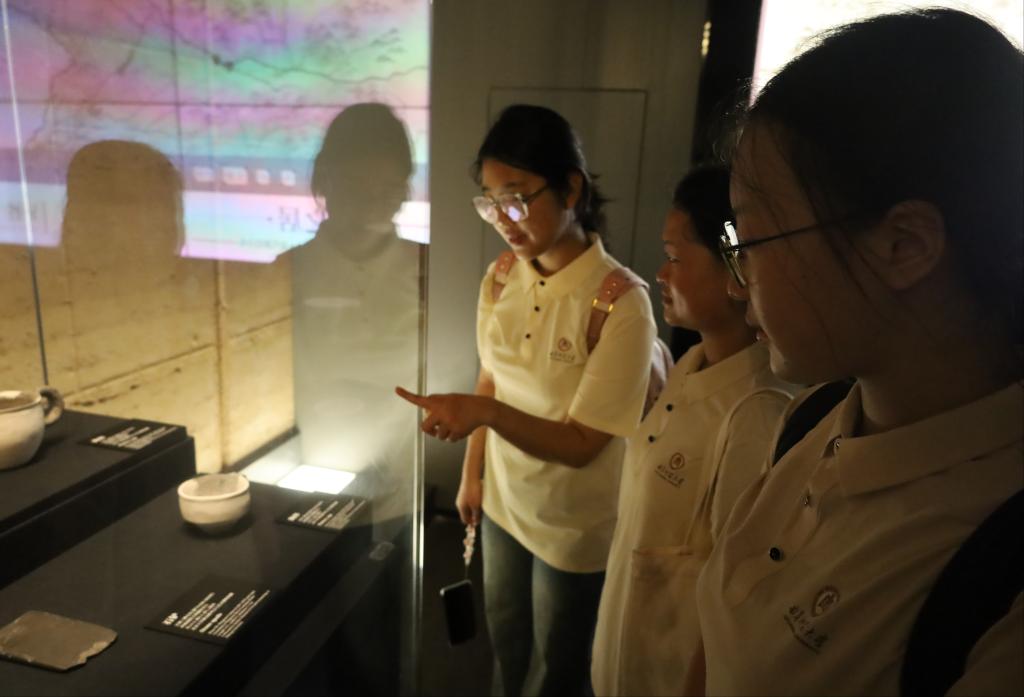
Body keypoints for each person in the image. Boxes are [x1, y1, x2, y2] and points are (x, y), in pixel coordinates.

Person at [691, 9, 1023, 695]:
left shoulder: (1001, 573)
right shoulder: (816, 417)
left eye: (751, 240)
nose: (735, 280)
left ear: (904, 245)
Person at [397, 104, 656, 695]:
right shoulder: (500, 278)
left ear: (571, 188)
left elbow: (583, 444)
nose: (503, 220)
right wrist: (473, 475)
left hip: (574, 525)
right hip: (505, 505)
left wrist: (482, 415)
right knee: (506, 643)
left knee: (556, 668)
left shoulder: (620, 304)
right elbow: (492, 378)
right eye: (490, 203)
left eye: (516, 199)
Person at [590, 165, 798, 696]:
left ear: (736, 271)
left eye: (676, 257)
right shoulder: (692, 365)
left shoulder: (755, 411)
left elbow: (736, 603)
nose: (661, 273)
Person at [291, 103, 422, 524]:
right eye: (356, 188)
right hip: (309, 485)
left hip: (404, 489)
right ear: (326, 180)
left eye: (387, 191)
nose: (371, 207)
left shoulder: (429, 270)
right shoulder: (288, 273)